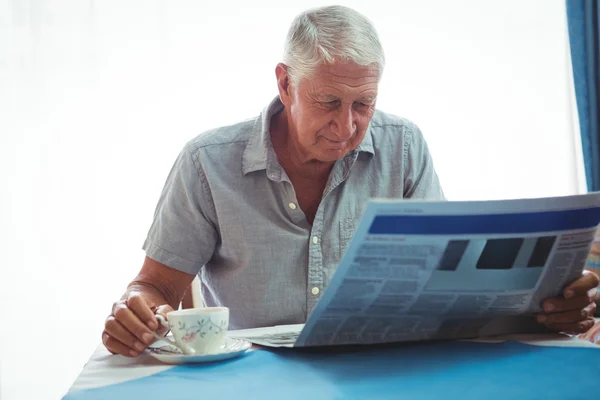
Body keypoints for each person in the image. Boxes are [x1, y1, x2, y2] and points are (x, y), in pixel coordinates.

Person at [101, 5, 600, 357]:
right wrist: (136, 312)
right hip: (254, 379)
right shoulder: (207, 162)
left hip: (385, 370)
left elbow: (448, 280)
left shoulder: (403, 145)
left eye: (364, 104)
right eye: (328, 103)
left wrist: (544, 305)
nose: (346, 128)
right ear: (284, 83)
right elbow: (154, 285)